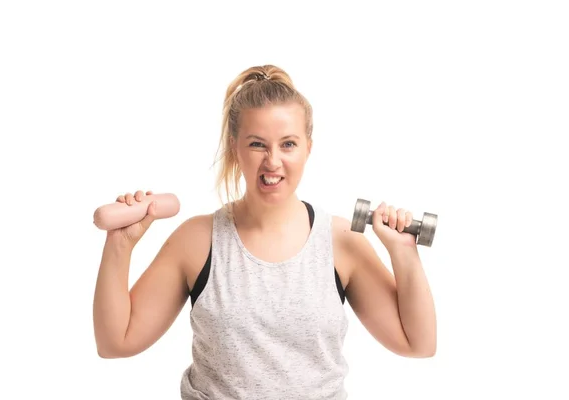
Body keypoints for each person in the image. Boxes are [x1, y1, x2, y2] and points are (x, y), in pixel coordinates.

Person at [93, 65, 437, 399]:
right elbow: (116, 342)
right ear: (235, 148)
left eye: (288, 144)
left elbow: (418, 344)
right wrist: (120, 245)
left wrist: (404, 251)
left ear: (308, 148)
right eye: (258, 144)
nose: (273, 161)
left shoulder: (342, 241)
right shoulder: (196, 240)